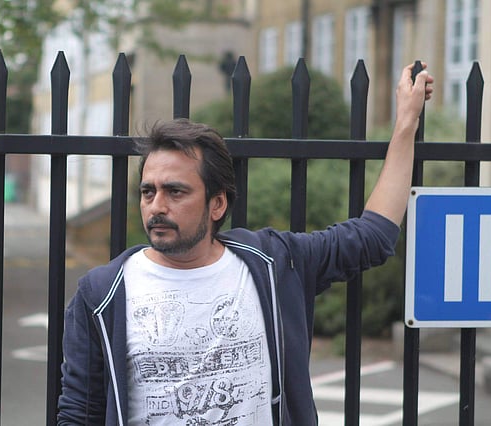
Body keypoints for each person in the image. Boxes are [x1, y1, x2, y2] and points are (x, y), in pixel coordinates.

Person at [57, 63, 434, 425]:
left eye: (175, 191)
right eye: (148, 192)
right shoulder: (103, 294)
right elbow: (79, 414)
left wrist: (406, 123)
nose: (157, 206)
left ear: (217, 204)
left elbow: (372, 236)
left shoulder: (273, 264)